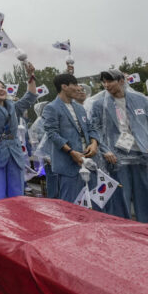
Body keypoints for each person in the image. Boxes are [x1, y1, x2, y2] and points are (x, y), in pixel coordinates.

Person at [91, 69, 148, 223]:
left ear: (121, 81)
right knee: (121, 199)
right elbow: (95, 130)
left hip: (142, 155)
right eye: (104, 82)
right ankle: (123, 234)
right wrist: (105, 150)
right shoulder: (99, 104)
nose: (106, 85)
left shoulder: (140, 100)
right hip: (116, 159)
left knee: (144, 199)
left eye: (110, 81)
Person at [0, 58, 39, 202]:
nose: (1, 89)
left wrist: (31, 76)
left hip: (14, 152)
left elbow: (30, 97)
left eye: (2, 86)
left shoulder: (13, 106)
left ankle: (16, 220)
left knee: (16, 192)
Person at [42, 73, 100, 203]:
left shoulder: (79, 108)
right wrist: (71, 152)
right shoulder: (51, 108)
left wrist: (94, 143)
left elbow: (90, 128)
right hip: (69, 164)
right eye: (74, 85)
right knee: (71, 205)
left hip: (88, 161)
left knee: (94, 204)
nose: (77, 88)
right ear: (64, 87)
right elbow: (52, 134)